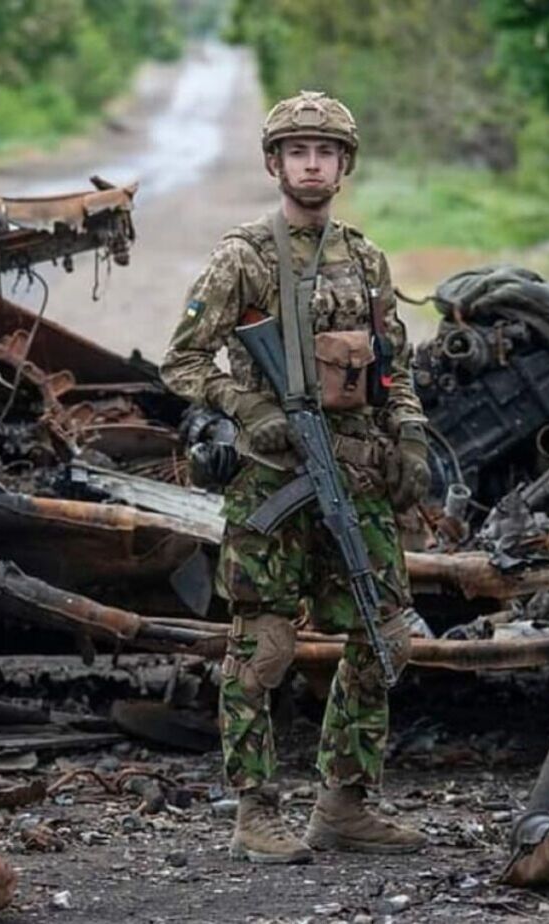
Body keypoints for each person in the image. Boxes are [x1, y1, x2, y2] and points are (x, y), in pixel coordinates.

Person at [161, 90, 432, 864]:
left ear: (344, 165)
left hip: (359, 474)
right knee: (264, 647)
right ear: (275, 164)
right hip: (274, 478)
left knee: (385, 640)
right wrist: (247, 405)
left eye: (325, 152)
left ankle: (344, 803)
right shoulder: (242, 255)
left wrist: (409, 437)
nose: (311, 163)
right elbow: (182, 360)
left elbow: (394, 368)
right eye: (297, 151)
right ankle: (254, 812)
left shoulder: (367, 258)